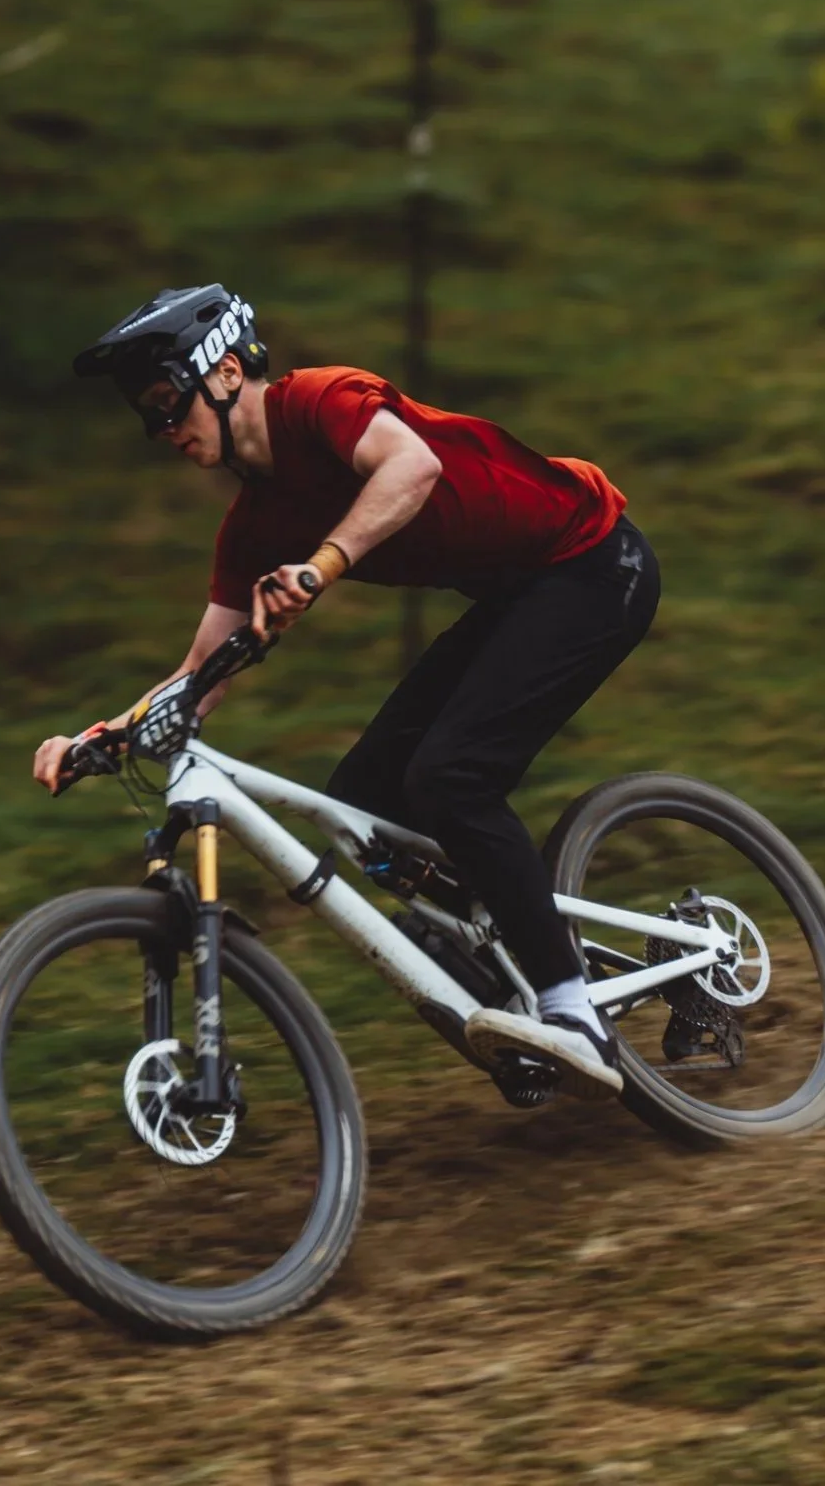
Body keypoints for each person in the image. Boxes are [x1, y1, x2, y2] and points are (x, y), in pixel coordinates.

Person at [33, 284, 659, 1099]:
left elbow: (413, 466)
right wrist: (101, 736)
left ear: (224, 374)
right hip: (516, 597)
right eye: (148, 416)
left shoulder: (320, 402)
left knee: (452, 777)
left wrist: (321, 565)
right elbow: (200, 673)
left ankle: (572, 1007)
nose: (162, 431)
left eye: (166, 404)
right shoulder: (254, 522)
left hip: (593, 563)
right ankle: (505, 958)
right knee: (363, 802)